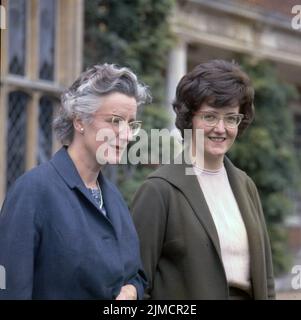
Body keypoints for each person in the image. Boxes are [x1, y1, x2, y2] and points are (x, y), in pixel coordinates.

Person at [0, 63, 149, 299]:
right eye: (115, 121)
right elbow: (10, 290)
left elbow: (136, 274)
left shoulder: (114, 199)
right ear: (79, 121)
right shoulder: (33, 191)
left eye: (131, 124)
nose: (127, 134)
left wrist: (132, 291)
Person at [131, 60, 275, 300]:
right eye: (210, 116)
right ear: (190, 118)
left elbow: (266, 279)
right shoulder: (158, 190)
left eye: (231, 118)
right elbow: (136, 285)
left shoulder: (245, 184)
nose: (221, 128)